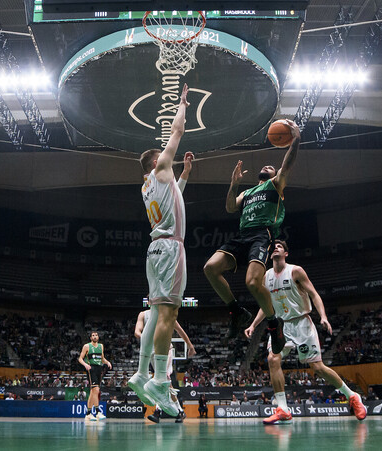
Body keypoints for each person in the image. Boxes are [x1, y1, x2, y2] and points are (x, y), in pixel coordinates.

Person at [203, 120, 301, 354]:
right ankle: (236, 311)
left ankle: (274, 324)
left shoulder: (276, 185)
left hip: (261, 235)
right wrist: (233, 184)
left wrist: (296, 139)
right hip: (242, 236)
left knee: (252, 282)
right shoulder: (247, 193)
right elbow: (229, 207)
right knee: (210, 268)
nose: (268, 166)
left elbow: (287, 165)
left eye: (271, 167)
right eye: (266, 166)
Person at [245, 240, 366, 424]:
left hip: (301, 322)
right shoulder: (266, 276)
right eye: (274, 246)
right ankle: (283, 409)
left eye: (280, 246)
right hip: (280, 324)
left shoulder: (296, 271)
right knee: (272, 359)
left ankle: (352, 396)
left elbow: (314, 294)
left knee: (317, 368)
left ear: (286, 253)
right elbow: (266, 305)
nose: (276, 247)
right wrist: (253, 325)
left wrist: (323, 316)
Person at [127, 83, 191, 420]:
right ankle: (160, 381)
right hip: (170, 249)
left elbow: (172, 199)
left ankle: (140, 373)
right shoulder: (161, 166)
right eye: (164, 154)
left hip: (154, 250)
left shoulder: (149, 185)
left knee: (155, 313)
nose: (169, 154)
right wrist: (182, 104)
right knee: (169, 314)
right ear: (157, 160)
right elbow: (178, 130)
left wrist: (185, 176)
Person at [135, 308, 197, 423]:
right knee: (167, 384)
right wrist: (145, 336)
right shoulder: (143, 314)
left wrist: (190, 346)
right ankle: (180, 411)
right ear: (149, 302)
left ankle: (157, 412)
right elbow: (137, 332)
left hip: (165, 351)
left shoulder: (167, 313)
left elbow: (179, 330)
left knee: (162, 379)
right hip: (152, 352)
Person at [78, 331, 112, 421]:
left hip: (99, 369)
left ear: (98, 337)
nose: (95, 336)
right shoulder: (87, 346)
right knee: (96, 390)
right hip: (91, 368)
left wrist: (107, 362)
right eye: (93, 335)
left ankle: (88, 413)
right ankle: (97, 412)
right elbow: (80, 358)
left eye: (96, 335)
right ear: (90, 338)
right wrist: (85, 365)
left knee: (93, 392)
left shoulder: (101, 346)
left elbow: (102, 358)